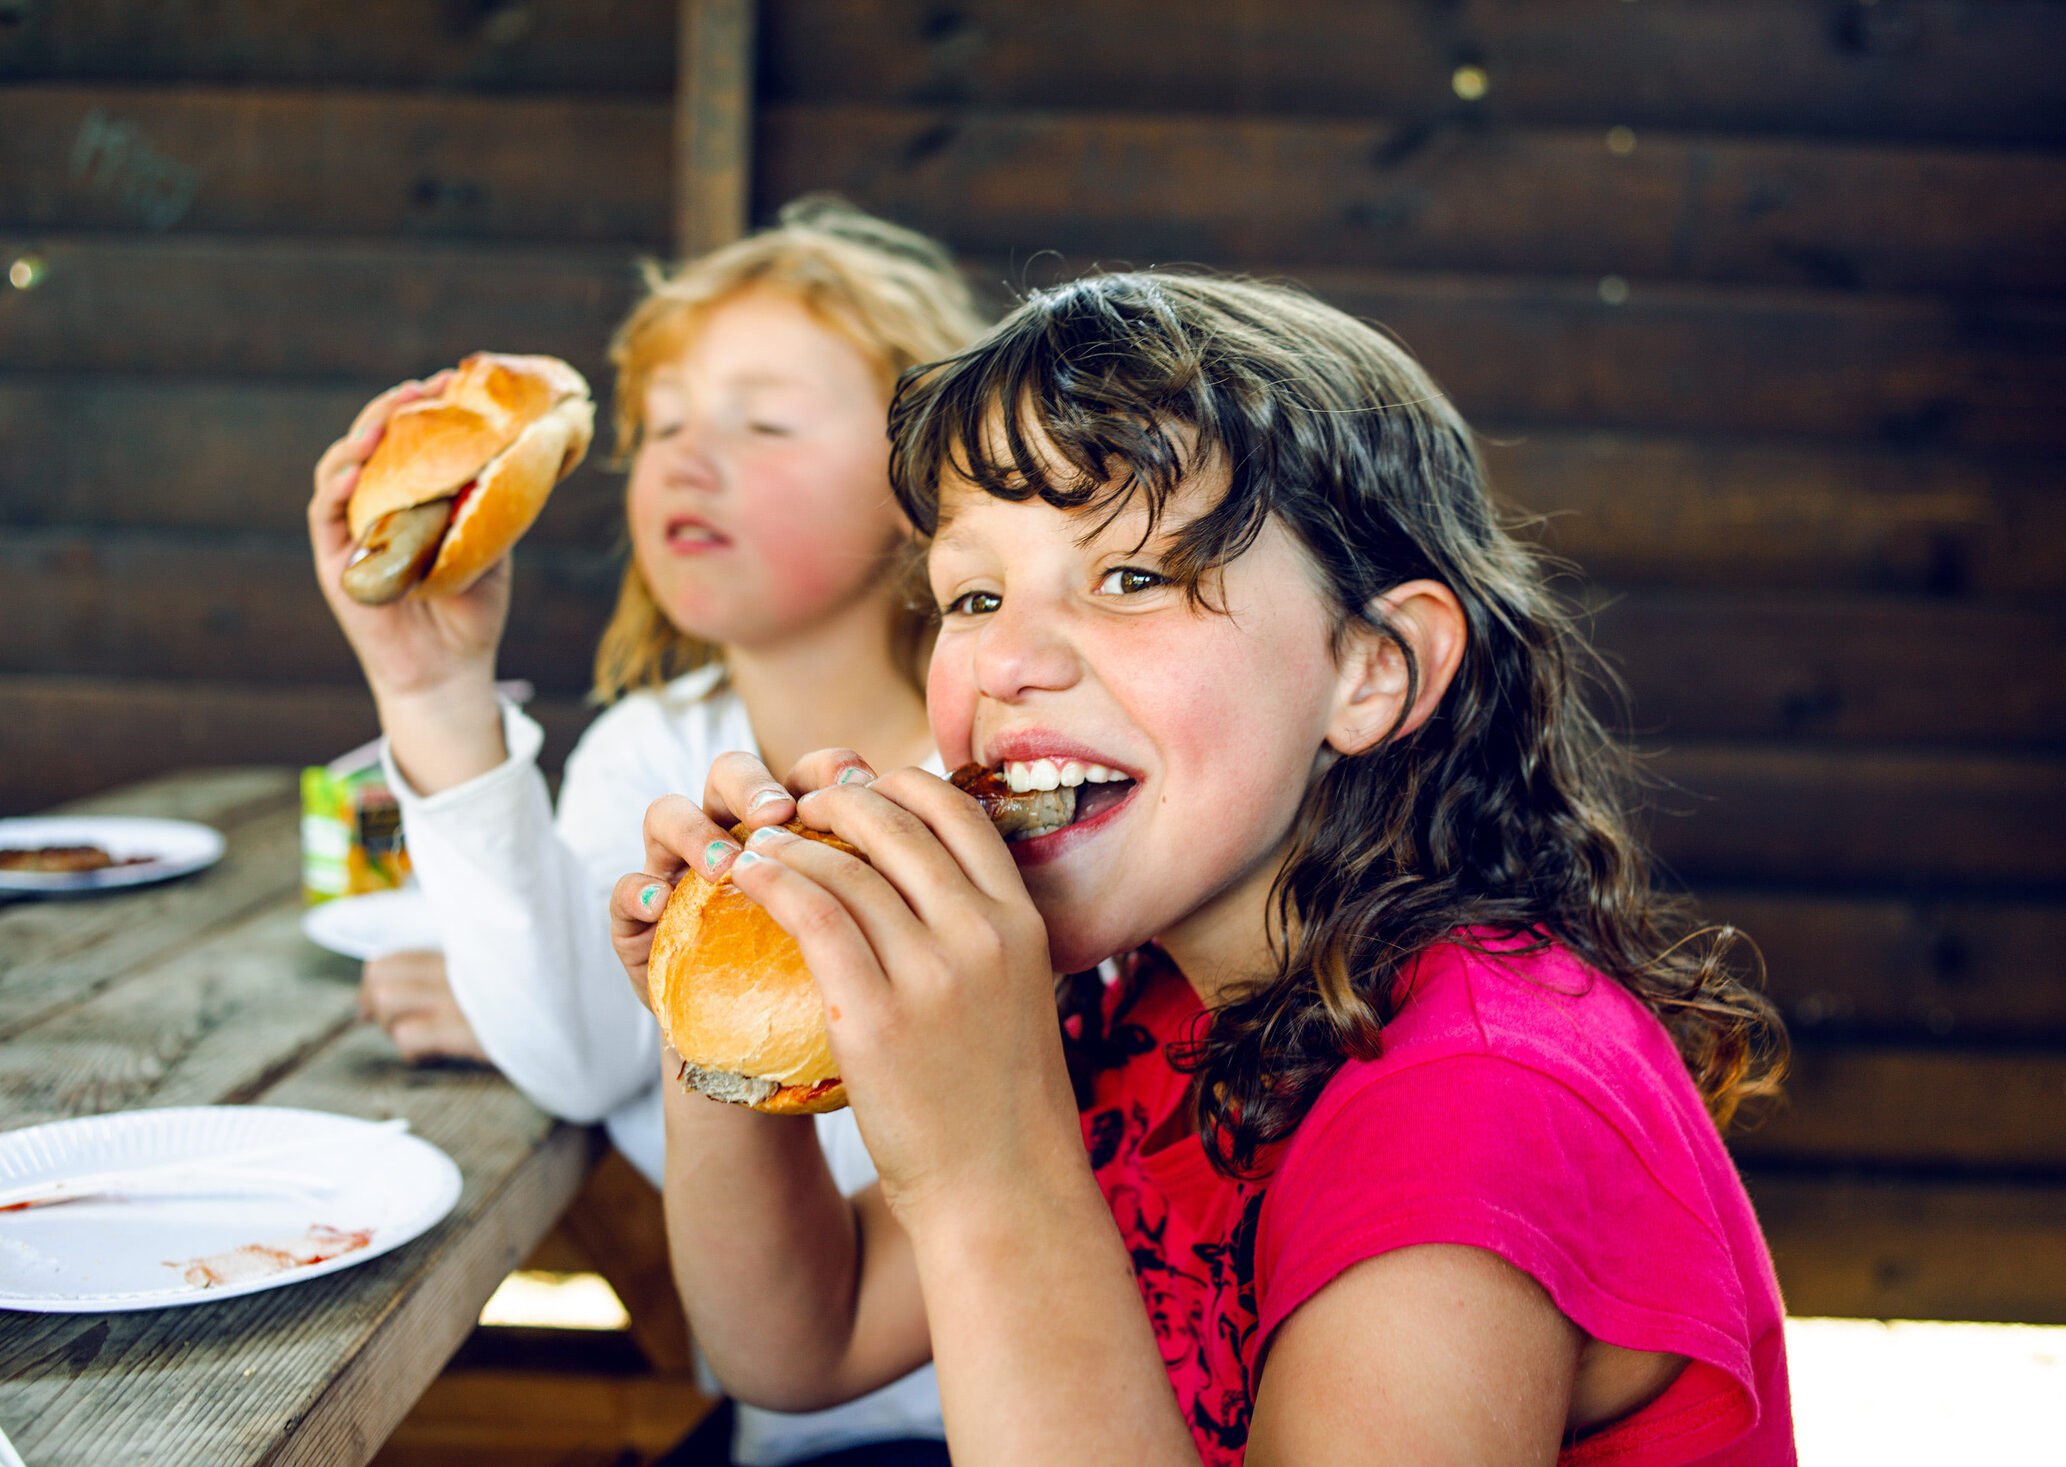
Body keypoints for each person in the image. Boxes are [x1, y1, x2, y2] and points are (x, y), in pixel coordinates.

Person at [608, 272, 1798, 1465]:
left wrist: (990, 1159)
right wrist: (715, 1009)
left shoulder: (1474, 1106)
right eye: (971, 594)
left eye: (1129, 576)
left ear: (1372, 670)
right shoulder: (1164, 1003)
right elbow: (801, 1341)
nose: (1009, 660)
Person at [307, 197, 987, 1467]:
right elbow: (577, 1050)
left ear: (919, 487)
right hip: (789, 1425)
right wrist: (431, 694)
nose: (684, 455)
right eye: (661, 425)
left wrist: (551, 997)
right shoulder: (656, 748)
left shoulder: (1010, 762)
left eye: (764, 421)